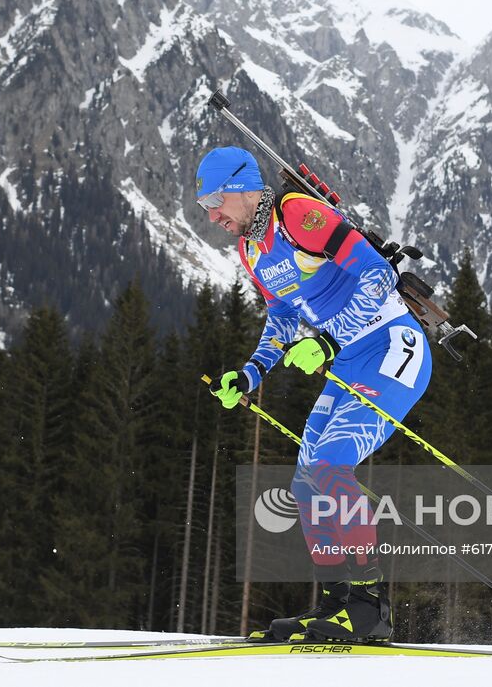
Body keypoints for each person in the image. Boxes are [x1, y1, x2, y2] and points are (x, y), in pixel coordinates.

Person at [196, 146, 432, 643]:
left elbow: (379, 274)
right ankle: (336, 603)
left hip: (392, 346)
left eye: (215, 200)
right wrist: (249, 375)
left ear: (242, 187)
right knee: (306, 485)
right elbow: (282, 320)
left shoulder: (298, 215)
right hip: (348, 360)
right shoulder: (251, 251)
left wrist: (326, 341)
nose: (212, 215)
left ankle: (370, 608)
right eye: (204, 206)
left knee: (330, 467)